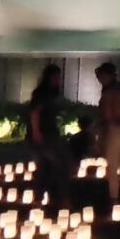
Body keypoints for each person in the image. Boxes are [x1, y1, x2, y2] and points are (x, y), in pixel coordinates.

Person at [27, 64, 75, 208]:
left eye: (59, 77)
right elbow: (34, 112)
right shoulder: (41, 93)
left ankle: (43, 197)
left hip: (51, 133)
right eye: (55, 77)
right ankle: (60, 198)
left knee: (47, 166)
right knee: (57, 164)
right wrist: (36, 132)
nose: (58, 80)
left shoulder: (53, 94)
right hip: (42, 135)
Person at [93, 62, 120, 205]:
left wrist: (100, 133)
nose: (99, 80)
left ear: (107, 75)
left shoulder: (109, 92)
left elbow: (106, 113)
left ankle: (114, 198)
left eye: (100, 77)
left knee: (113, 165)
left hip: (114, 129)